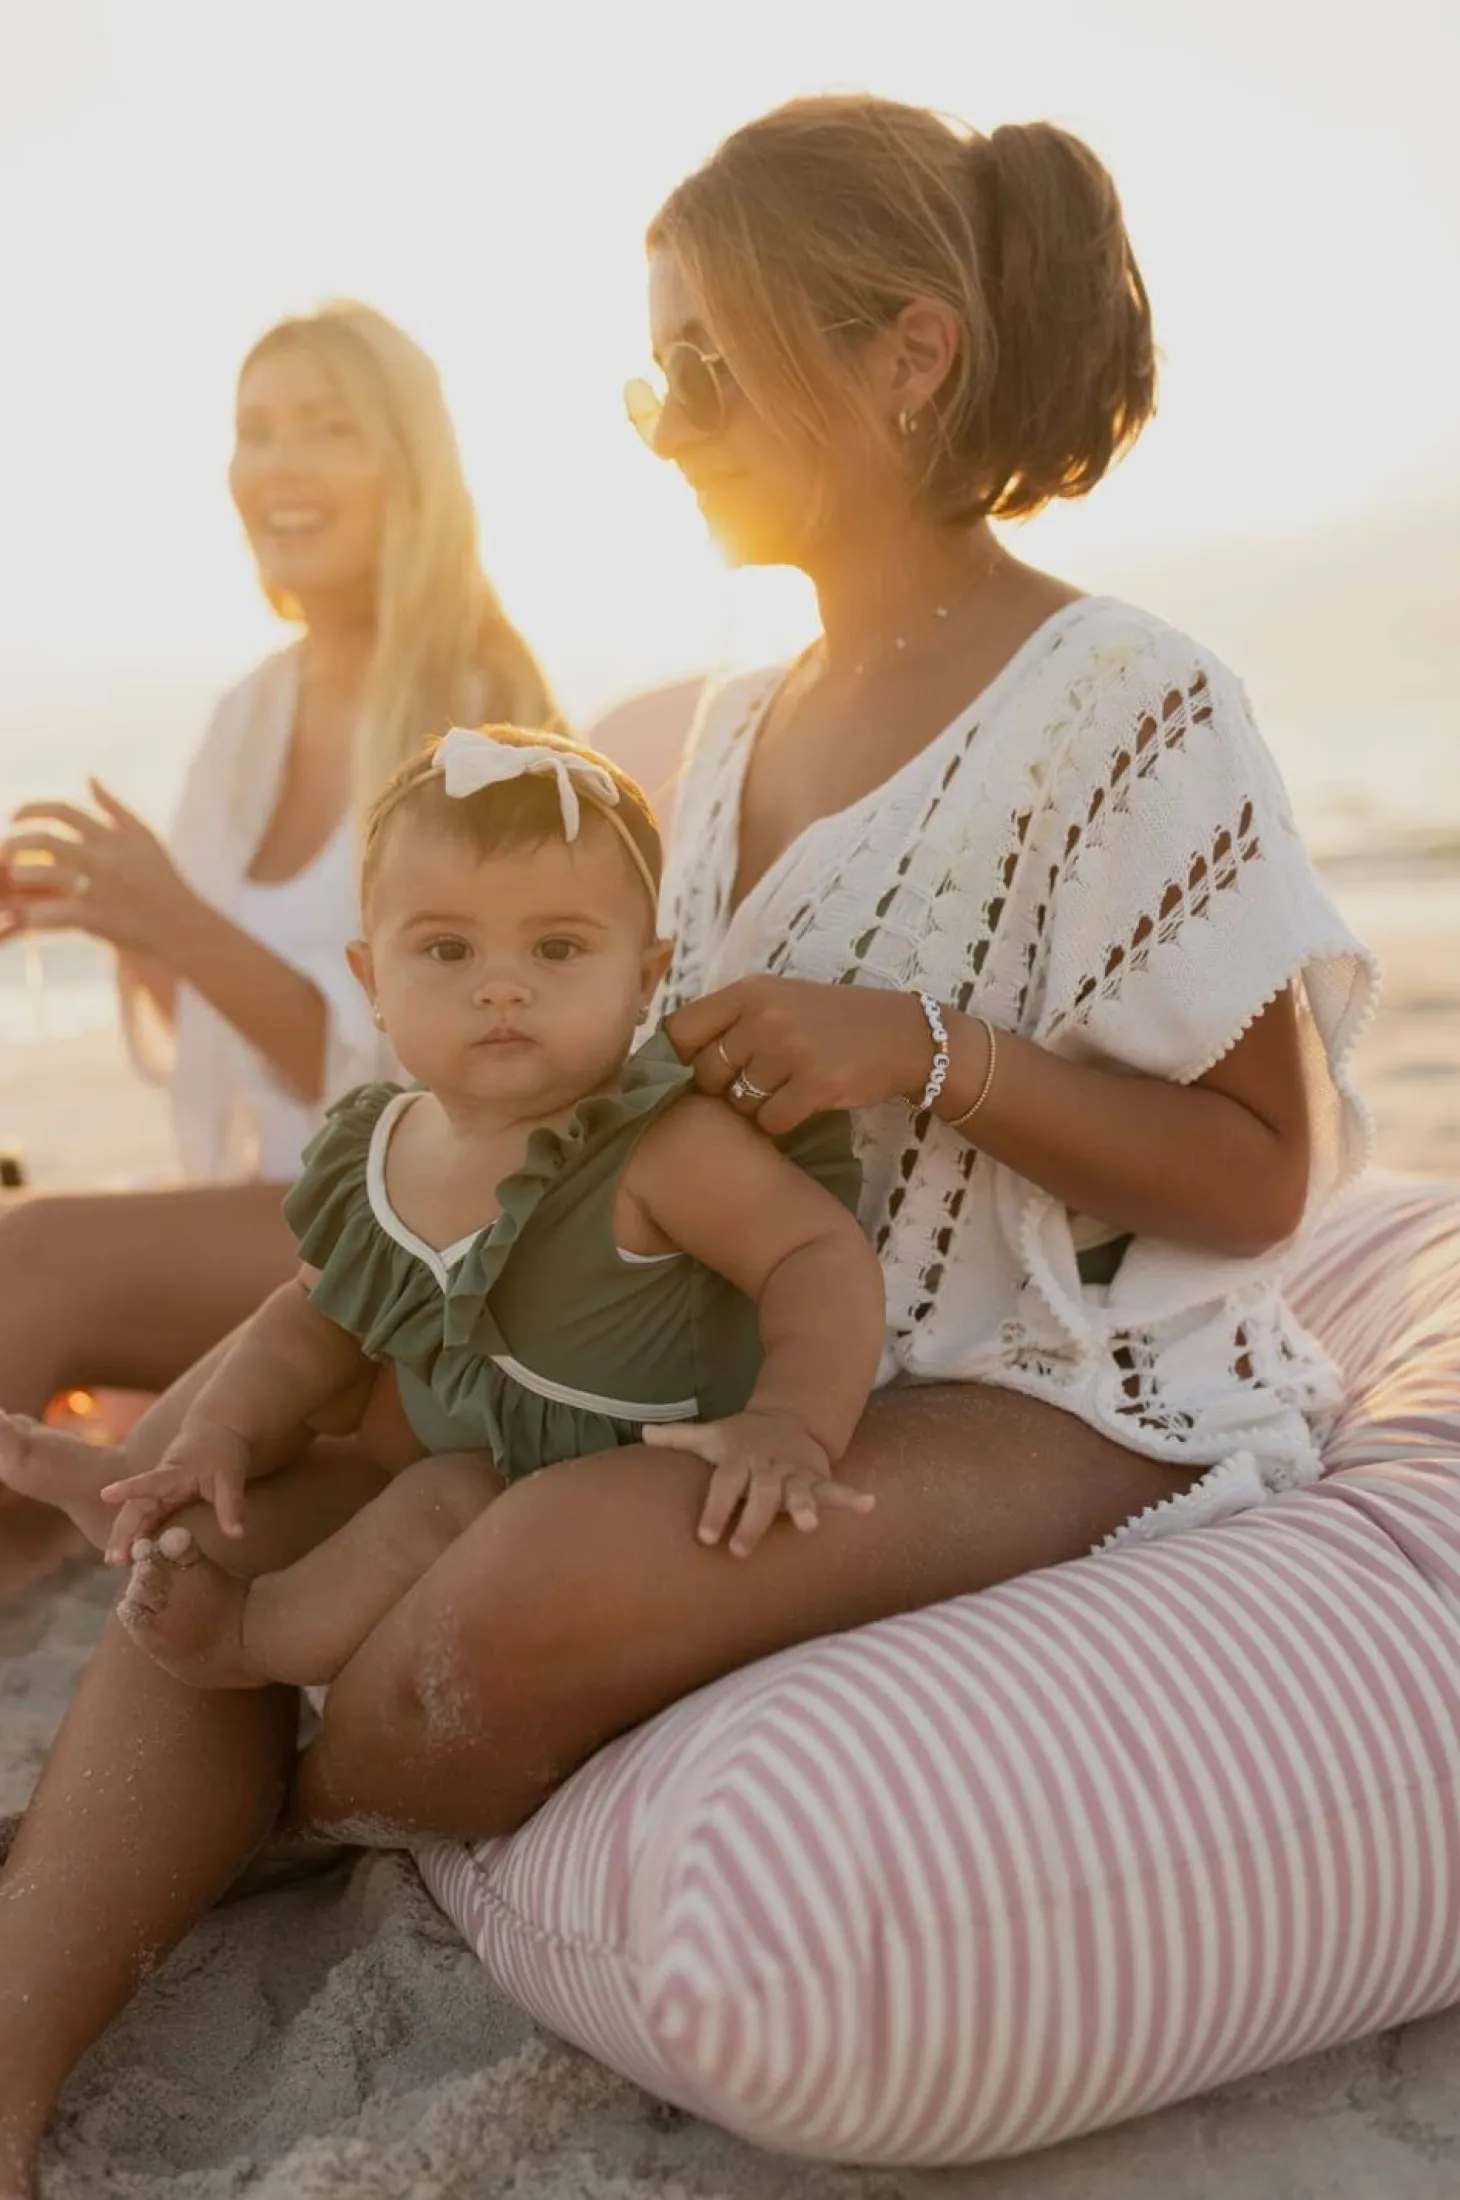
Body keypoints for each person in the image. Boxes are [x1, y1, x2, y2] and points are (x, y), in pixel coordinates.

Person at [0, 95, 1378, 2196]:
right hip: (725, 1349)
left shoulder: (1127, 696)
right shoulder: (734, 722)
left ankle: (251, 1801)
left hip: (1045, 1382)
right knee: (229, 1502)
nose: (660, 415)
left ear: (906, 353)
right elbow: (586, 1123)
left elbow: (1265, 1171)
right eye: (648, 366)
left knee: (501, 1600)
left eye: (705, 361)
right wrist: (295, 1356)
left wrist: (920, 1050)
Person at [0, 726, 880, 1690]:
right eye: (447, 949)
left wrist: (792, 1421)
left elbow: (814, 1254)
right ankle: (148, 1493)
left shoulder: (660, 1148)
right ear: (373, 982)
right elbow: (309, 1318)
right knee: (308, 1447)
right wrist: (222, 1433)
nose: (501, 986)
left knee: (438, 1497)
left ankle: (251, 1642)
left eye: (556, 947)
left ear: (643, 975)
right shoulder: (384, 1145)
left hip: (590, 1493)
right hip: (425, 1445)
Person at [0, 301, 557, 1439]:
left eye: (326, 426)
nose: (278, 463)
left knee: (30, 1253)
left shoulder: (483, 717)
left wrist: (174, 919)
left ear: (406, 464)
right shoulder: (249, 714)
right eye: (256, 429)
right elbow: (224, 1037)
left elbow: (456, 1063)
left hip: (433, 1219)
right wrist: (107, 915)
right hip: (296, 1206)